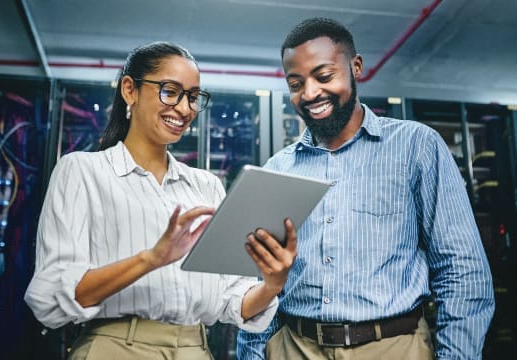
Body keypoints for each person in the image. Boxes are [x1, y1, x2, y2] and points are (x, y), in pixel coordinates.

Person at [237, 17, 495, 359]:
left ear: (356, 66)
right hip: (294, 347)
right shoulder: (278, 169)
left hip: (394, 347)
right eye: (296, 83)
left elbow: (462, 272)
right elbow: (260, 282)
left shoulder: (416, 147)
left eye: (324, 76)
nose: (310, 93)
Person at [24, 41, 297, 359]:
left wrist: (273, 283)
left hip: (195, 349)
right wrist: (150, 259)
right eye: (171, 91)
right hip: (115, 348)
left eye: (193, 97)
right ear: (130, 90)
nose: (184, 109)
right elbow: (51, 297)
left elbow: (232, 301)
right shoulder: (82, 171)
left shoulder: (206, 186)